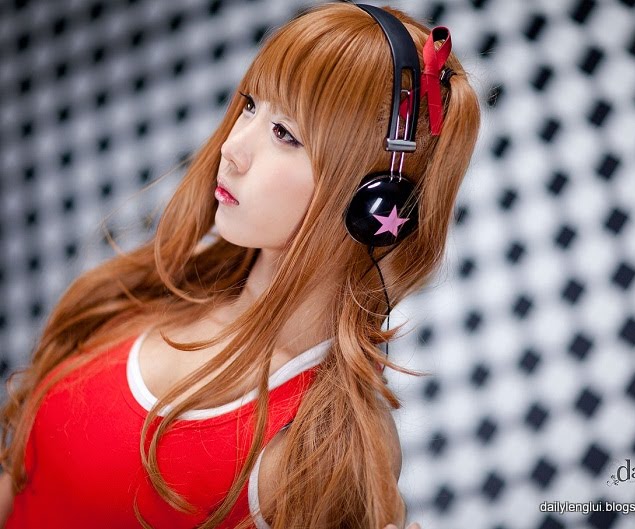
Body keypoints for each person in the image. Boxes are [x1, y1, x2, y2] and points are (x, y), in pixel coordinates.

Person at [0, 2, 480, 528]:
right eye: (250, 106)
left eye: (285, 134)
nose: (232, 147)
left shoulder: (315, 451)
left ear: (374, 202)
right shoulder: (159, 288)